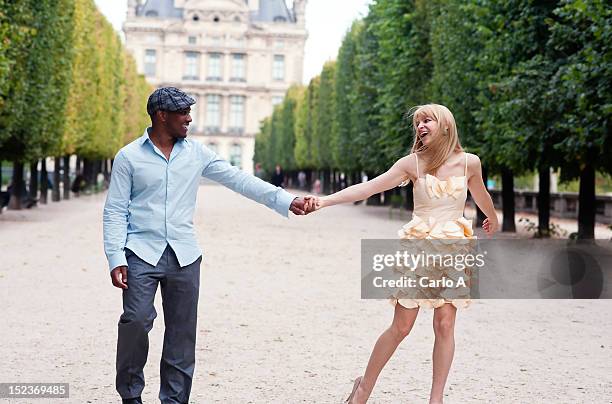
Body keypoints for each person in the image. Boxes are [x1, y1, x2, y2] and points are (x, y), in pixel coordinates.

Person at [103, 87, 313, 404]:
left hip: (185, 256)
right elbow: (115, 210)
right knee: (135, 320)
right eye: (183, 113)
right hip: (139, 254)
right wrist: (115, 256)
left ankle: (174, 401)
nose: (189, 118)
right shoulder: (129, 157)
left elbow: (241, 180)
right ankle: (130, 396)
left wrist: (286, 200)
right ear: (162, 115)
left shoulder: (198, 153)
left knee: (181, 334)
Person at [305, 104, 499, 404]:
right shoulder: (412, 164)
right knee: (402, 327)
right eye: (417, 122)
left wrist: (492, 216)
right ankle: (363, 389)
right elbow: (367, 188)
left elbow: (480, 193)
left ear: (446, 125)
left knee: (445, 324)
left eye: (427, 120)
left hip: (454, 248)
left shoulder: (469, 162)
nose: (420, 125)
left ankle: (436, 400)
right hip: (420, 248)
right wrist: (324, 201)